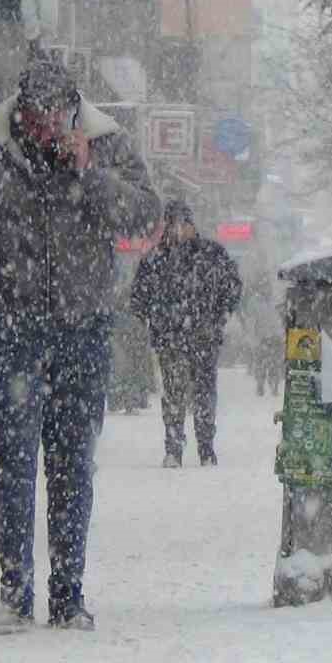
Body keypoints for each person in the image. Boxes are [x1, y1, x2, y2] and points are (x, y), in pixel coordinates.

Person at [0, 57, 159, 633]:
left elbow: (142, 216)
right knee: (12, 461)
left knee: (72, 464)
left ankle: (68, 594)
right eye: (37, 119)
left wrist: (89, 172)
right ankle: (14, 591)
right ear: (20, 111)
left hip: (82, 329)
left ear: (73, 110)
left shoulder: (106, 145)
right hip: (10, 332)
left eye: (57, 119)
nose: (47, 130)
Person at [130, 200, 242, 467]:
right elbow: (138, 297)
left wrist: (219, 318)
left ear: (192, 225)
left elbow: (233, 288)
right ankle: (174, 449)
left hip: (203, 337)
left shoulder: (212, 254)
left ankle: (206, 448)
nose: (179, 230)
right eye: (173, 223)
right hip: (171, 339)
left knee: (203, 393)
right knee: (173, 395)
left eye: (184, 223)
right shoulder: (156, 259)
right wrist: (154, 322)